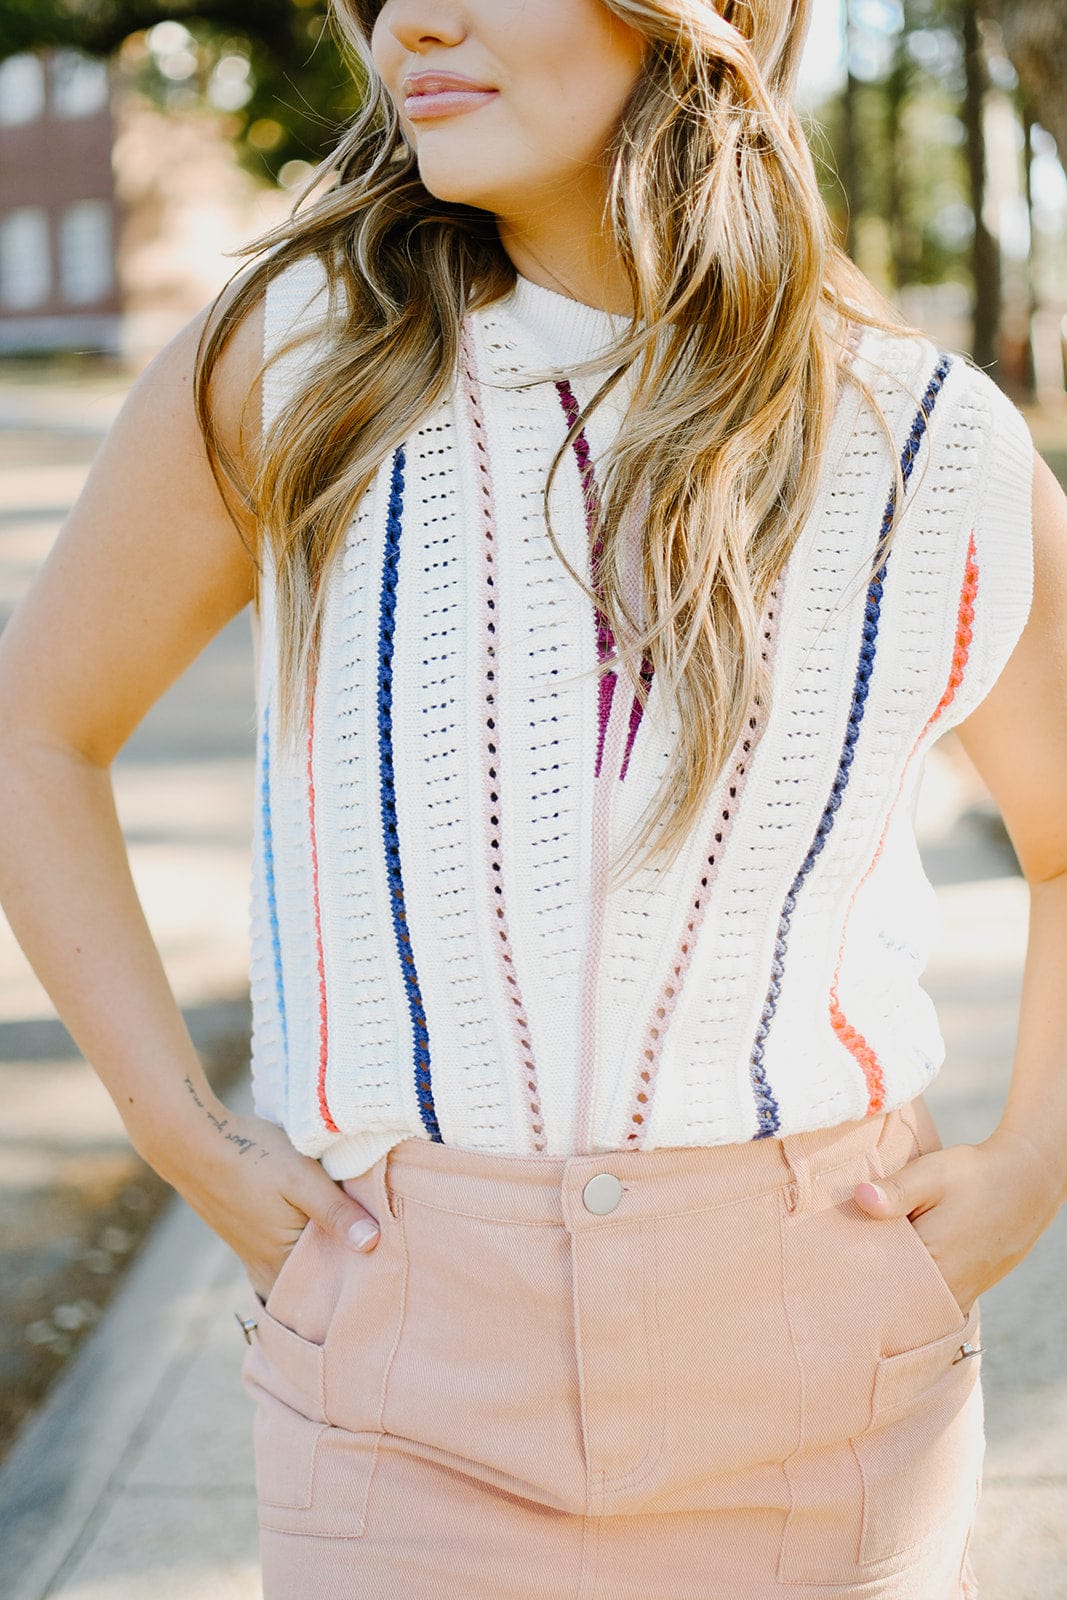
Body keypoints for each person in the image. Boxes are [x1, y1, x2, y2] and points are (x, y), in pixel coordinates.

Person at [0, 0, 1065, 1594]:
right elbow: (37, 731)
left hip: (826, 1363)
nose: (407, 19)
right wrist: (188, 1137)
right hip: (402, 1365)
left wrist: (1033, 1166)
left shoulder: (924, 437)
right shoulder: (294, 363)